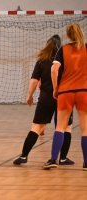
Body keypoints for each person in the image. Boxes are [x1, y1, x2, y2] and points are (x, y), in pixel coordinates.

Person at [13, 35, 74, 165]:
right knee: (66, 128)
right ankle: (63, 158)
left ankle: (24, 156)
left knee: (37, 127)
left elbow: (34, 81)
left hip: (46, 98)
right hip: (63, 96)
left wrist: (30, 96)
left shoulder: (41, 61)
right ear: (59, 47)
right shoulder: (64, 60)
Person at [43, 24, 87, 170]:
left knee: (60, 128)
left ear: (67, 36)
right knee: (85, 129)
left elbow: (54, 69)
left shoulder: (63, 49)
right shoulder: (86, 48)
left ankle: (53, 160)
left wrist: (56, 89)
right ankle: (86, 163)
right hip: (83, 91)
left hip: (66, 91)